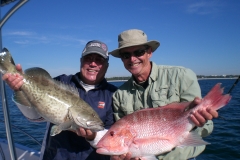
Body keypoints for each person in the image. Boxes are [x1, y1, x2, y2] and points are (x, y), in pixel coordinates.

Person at [109, 29, 218, 160]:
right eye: (126, 55)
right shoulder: (119, 95)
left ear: (149, 52)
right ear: (122, 59)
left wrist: (201, 121)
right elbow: (121, 137)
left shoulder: (181, 76)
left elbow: (206, 127)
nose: (132, 59)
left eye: (138, 52)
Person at [2, 40, 118, 160]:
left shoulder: (113, 94)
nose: (93, 64)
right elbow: (35, 117)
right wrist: (20, 88)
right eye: (88, 58)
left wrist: (93, 136)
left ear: (106, 65)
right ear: (81, 61)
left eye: (99, 60)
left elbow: (112, 135)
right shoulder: (60, 82)